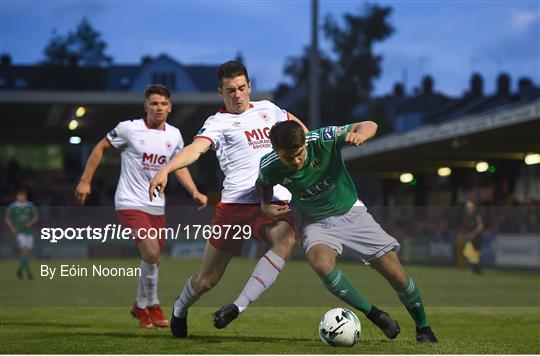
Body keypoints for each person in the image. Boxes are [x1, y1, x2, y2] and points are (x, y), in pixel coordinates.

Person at [149, 60, 308, 338]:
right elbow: (195, 150)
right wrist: (166, 169)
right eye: (230, 90)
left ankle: (237, 306)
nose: (237, 95)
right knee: (207, 280)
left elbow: (303, 133)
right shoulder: (217, 122)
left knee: (286, 240)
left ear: (250, 87)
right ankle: (180, 307)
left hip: (271, 200)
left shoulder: (269, 110)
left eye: (242, 88)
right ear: (220, 92)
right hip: (234, 207)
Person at [254, 120, 438, 343]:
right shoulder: (269, 164)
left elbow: (370, 124)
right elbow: (263, 183)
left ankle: (423, 327)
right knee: (321, 265)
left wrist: (359, 135)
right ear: (276, 151)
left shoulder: (323, 139)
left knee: (398, 276)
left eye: (299, 154)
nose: (295, 161)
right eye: (287, 157)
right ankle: (376, 315)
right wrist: (265, 205)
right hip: (316, 223)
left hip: (353, 214)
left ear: (305, 143)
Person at [74, 84, 208, 328]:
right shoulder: (129, 128)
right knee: (152, 252)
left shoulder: (174, 135)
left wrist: (194, 191)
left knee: (152, 259)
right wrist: (85, 180)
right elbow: (101, 147)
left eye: (163, 104)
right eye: (154, 103)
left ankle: (139, 305)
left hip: (157, 205)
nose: (159, 108)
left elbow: (179, 166)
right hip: (129, 201)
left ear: (170, 107)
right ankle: (154, 304)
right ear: (146, 106)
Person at [5, 188, 39, 280]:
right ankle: (28, 274)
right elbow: (7, 218)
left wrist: (30, 223)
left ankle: (19, 271)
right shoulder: (13, 207)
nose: (21, 197)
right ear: (17, 196)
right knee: (23, 252)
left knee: (27, 253)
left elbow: (36, 216)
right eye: (19, 195)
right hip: (19, 232)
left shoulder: (30, 206)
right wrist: (12, 228)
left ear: (25, 196)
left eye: (22, 195)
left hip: (29, 232)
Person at [461, 200, 484, 274]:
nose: (468, 209)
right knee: (469, 253)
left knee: (477, 253)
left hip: (477, 237)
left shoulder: (477, 216)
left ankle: (478, 270)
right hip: (470, 237)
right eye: (467, 207)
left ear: (473, 207)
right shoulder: (467, 216)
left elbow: (480, 226)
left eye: (469, 207)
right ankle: (472, 268)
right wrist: (467, 234)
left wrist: (473, 234)